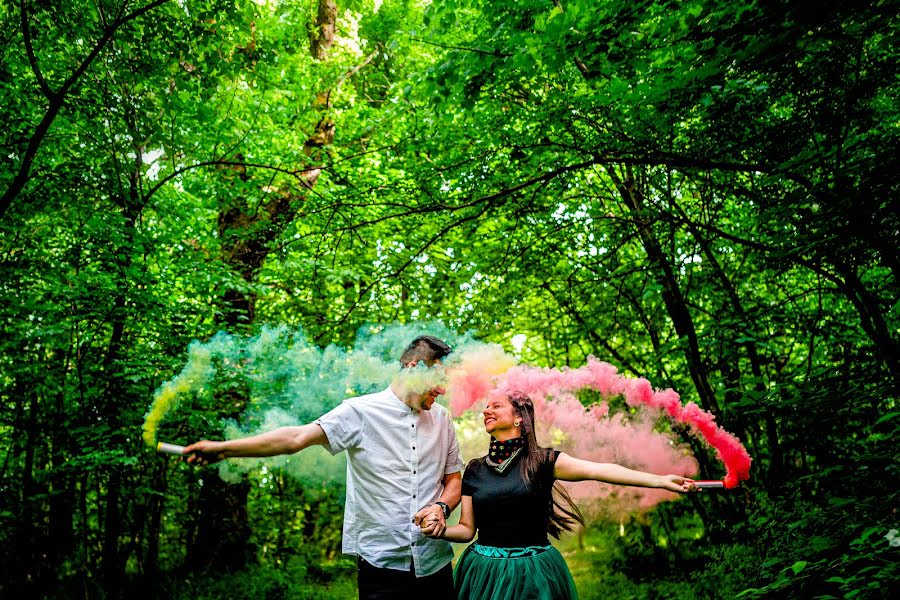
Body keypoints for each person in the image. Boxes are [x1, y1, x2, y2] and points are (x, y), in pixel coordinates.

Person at [185, 335, 463, 600]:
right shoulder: (359, 412)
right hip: (381, 570)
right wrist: (222, 448)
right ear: (412, 368)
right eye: (437, 379)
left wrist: (441, 508)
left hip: (435, 566)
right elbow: (295, 438)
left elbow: (453, 482)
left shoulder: (443, 420)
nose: (442, 389)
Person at [421, 391, 697, 600]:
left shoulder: (544, 461)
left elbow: (600, 470)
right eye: (486, 407)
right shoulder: (475, 469)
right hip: (484, 573)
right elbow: (467, 530)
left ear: (519, 417)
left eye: (496, 406)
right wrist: (440, 530)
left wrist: (661, 480)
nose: (486, 410)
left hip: (534, 572)